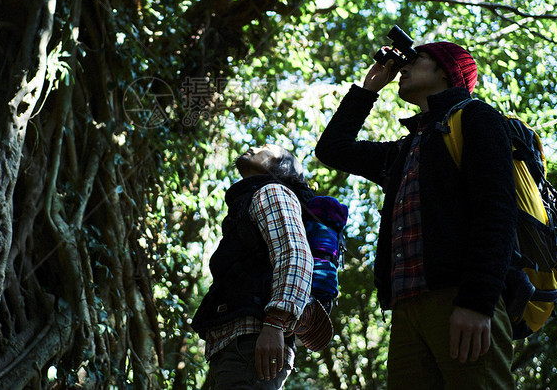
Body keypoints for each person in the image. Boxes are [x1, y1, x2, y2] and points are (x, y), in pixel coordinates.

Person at [315, 40, 517, 389]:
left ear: (447, 71)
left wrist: (477, 302)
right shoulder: (405, 148)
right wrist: (368, 90)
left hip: (460, 297)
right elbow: (333, 149)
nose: (403, 67)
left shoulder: (476, 118)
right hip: (406, 307)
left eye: (417, 59)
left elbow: (496, 212)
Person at [191, 143, 314, 389]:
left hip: (252, 344)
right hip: (238, 348)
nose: (252, 147)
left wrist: (275, 323)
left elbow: (296, 255)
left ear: (283, 167)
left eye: (266, 147)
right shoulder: (248, 200)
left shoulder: (271, 192)